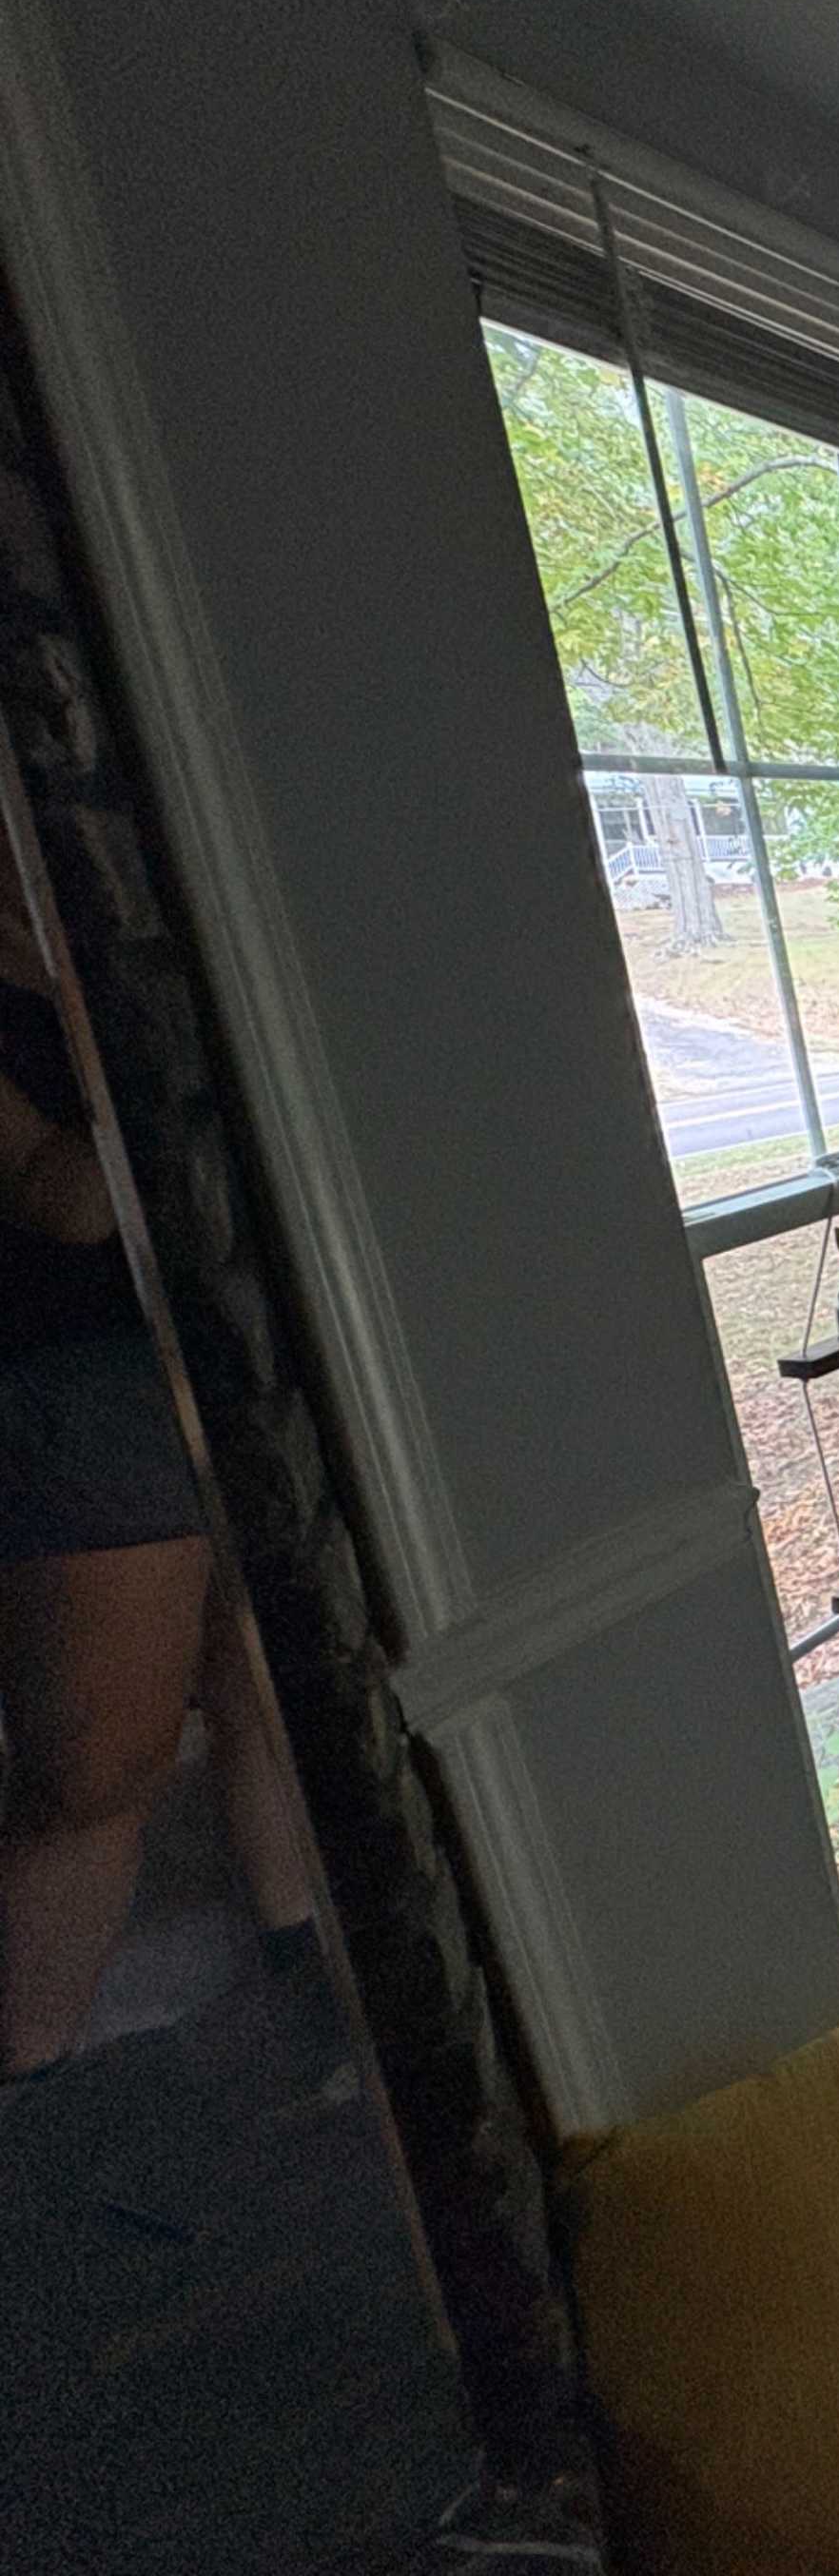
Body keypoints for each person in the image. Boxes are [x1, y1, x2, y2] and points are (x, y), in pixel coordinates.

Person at [0, 873, 320, 2084]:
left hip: (231, 1330)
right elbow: (63, 1199)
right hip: (79, 1375)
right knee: (100, 1771)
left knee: (266, 1681)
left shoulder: (131, 892)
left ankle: (304, 1970)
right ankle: (34, 2080)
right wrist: (199, 1064)